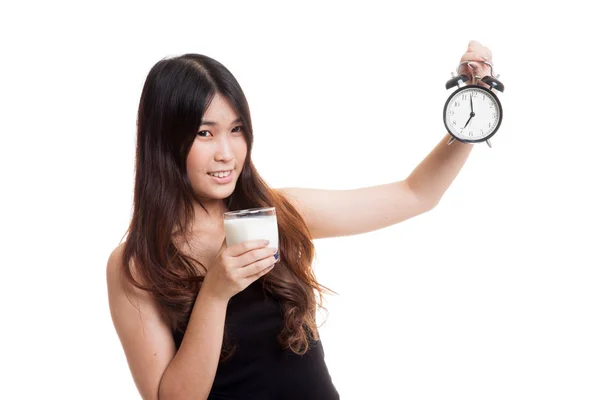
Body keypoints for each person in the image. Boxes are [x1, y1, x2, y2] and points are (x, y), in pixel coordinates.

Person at [107, 40, 494, 400]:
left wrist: (472, 110)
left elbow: (416, 194)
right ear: (164, 141)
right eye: (205, 133)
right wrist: (215, 293)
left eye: (236, 130)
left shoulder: (280, 213)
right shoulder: (138, 263)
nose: (226, 152)